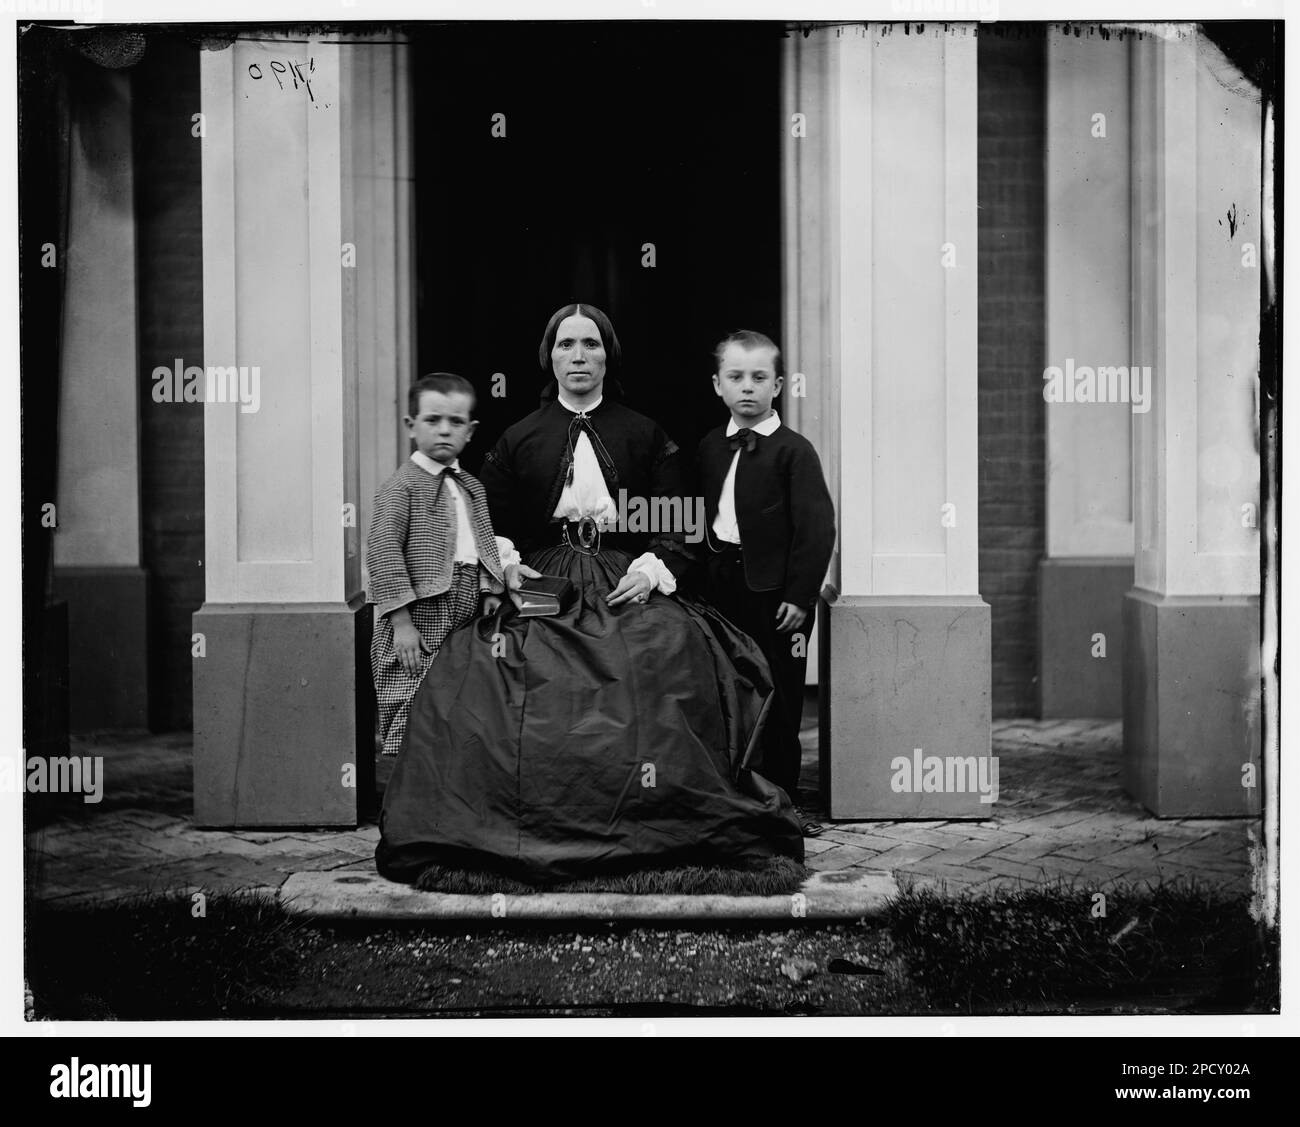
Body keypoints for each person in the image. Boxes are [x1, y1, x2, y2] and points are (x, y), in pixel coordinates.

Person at [375, 304, 804, 884]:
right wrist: (506, 563)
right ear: (550, 356)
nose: (579, 356)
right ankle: (529, 814)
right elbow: (490, 518)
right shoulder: (521, 437)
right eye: (567, 345)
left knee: (668, 643)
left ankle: (653, 811)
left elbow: (677, 520)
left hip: (623, 572)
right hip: (541, 576)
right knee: (499, 659)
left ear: (608, 356)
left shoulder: (644, 433)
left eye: (592, 345)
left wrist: (652, 570)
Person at [693, 330, 836, 834]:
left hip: (778, 598)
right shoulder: (711, 447)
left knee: (781, 694)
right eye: (736, 377)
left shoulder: (794, 452)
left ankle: (782, 802)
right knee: (729, 689)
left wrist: (799, 596)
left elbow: (817, 529)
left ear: (778, 385)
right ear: (717, 385)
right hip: (723, 587)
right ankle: (734, 794)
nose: (747, 387)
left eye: (759, 378)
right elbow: (703, 518)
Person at [366, 372, 519, 757]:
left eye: (456, 422)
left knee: (457, 691)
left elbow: (482, 541)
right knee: (413, 686)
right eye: (433, 421)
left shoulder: (471, 486)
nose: (444, 431)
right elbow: (383, 550)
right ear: (411, 426)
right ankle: (410, 784)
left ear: (471, 431)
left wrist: (490, 590)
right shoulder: (401, 487)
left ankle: (447, 791)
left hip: (465, 606)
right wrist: (401, 622)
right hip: (420, 609)